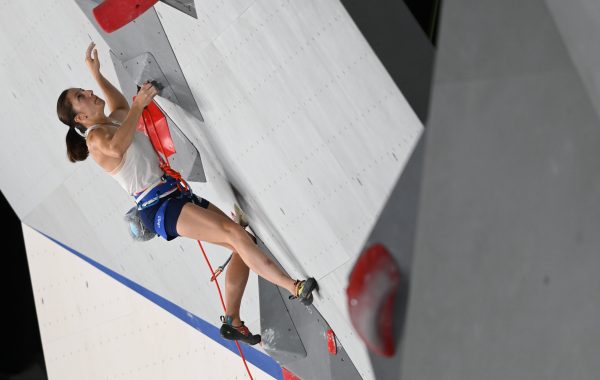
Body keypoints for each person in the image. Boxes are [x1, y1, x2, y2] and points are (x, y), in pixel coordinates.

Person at [56, 42, 317, 345]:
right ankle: (294, 286)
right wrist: (139, 105)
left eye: (84, 90)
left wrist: (98, 75)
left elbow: (122, 108)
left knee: (243, 240)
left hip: (172, 195)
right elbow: (117, 145)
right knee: (236, 236)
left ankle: (232, 321)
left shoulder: (111, 121)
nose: (88, 93)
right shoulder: (96, 137)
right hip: (160, 208)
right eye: (80, 97)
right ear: (79, 119)